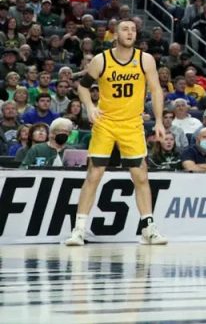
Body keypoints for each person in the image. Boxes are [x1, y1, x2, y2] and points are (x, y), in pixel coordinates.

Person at [65, 18, 168, 245]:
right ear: (115, 34)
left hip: (132, 124)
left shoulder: (146, 60)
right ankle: (79, 230)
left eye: (133, 29)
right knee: (94, 174)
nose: (130, 32)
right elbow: (82, 86)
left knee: (140, 175)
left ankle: (148, 228)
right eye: (125, 29)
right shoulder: (101, 60)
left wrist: (159, 121)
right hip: (106, 123)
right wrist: (90, 107)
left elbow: (156, 90)